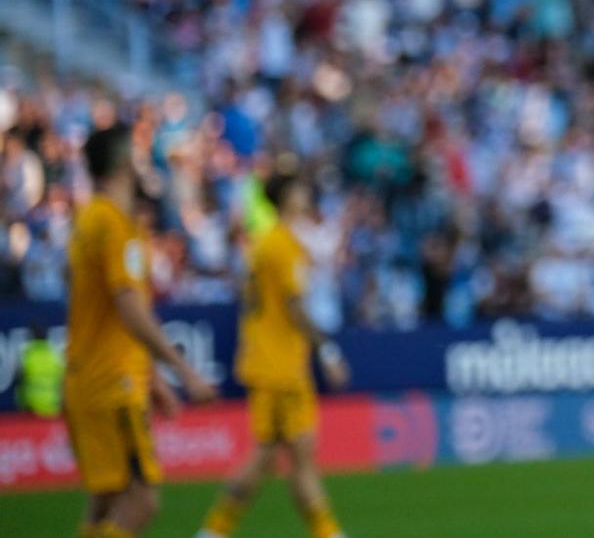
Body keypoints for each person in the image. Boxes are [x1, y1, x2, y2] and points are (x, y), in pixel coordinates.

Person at [64, 124, 216, 538]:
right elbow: (129, 308)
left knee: (107, 500)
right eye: (135, 152)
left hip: (91, 376)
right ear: (120, 162)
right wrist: (182, 371)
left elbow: (110, 314)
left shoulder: (91, 219)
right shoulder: (114, 224)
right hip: (112, 382)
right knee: (142, 500)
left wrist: (151, 377)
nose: (141, 158)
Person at [197, 170, 350, 538]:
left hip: (268, 360)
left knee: (275, 455)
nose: (305, 194)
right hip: (280, 364)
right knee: (294, 456)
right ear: (286, 198)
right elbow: (295, 306)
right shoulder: (282, 245)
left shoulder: (268, 243)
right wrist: (327, 351)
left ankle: (216, 530)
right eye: (299, 188)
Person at [18, 324, 64, 417]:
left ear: (31, 337)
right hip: (53, 407)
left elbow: (20, 379)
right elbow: (63, 381)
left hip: (32, 408)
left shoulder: (27, 355)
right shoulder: (55, 355)